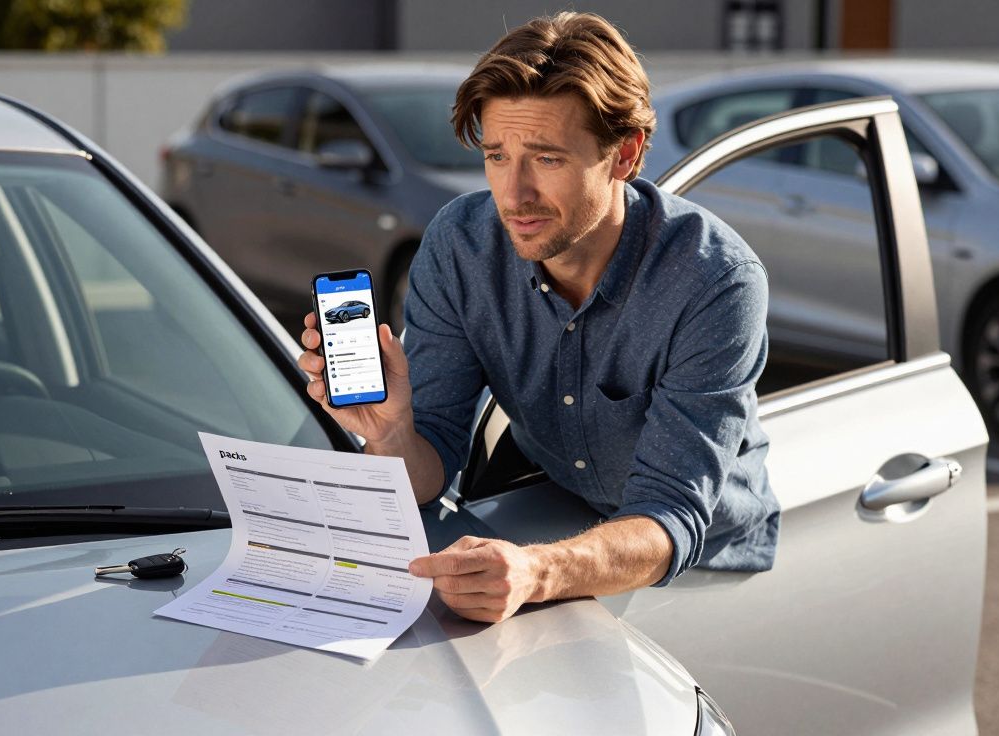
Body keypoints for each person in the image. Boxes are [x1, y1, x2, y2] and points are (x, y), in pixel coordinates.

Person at [297, 11, 779, 623]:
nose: (514, 194)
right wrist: (390, 435)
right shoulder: (461, 245)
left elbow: (671, 513)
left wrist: (537, 572)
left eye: (546, 159)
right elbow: (434, 460)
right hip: (556, 515)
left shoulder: (715, 281)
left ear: (625, 154)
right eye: (497, 156)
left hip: (700, 566)